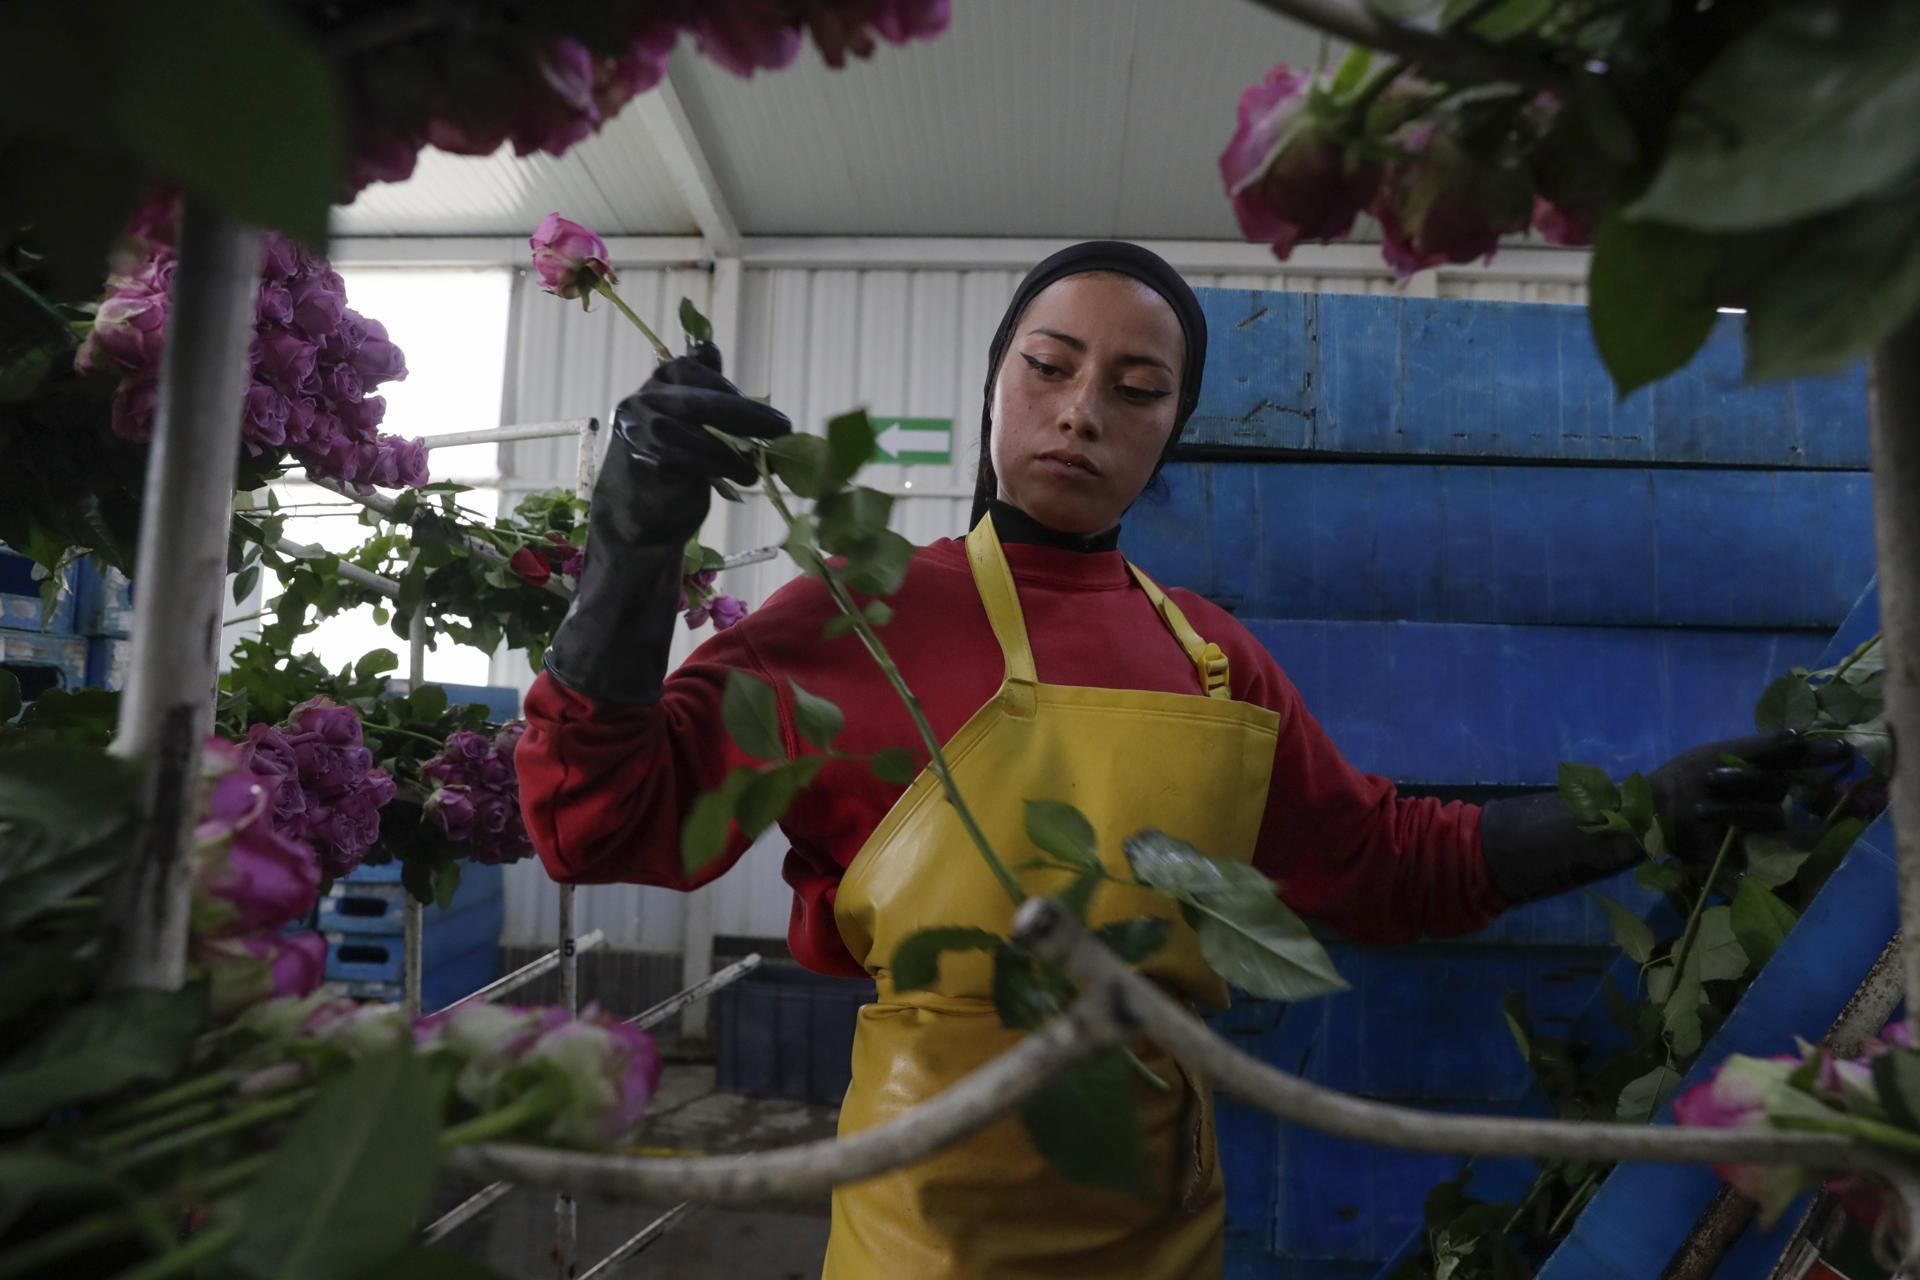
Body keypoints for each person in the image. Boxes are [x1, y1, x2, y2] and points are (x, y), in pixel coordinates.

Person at [515, 241, 1844, 1280]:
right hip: (929, 1211)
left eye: (1137, 390)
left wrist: (1639, 814)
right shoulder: (851, 612)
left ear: (1171, 435)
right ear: (994, 383)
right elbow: (604, 825)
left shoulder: (1212, 662)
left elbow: (1387, 867)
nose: (1084, 411)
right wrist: (633, 537)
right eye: (1049, 367)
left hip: (1155, 1212)